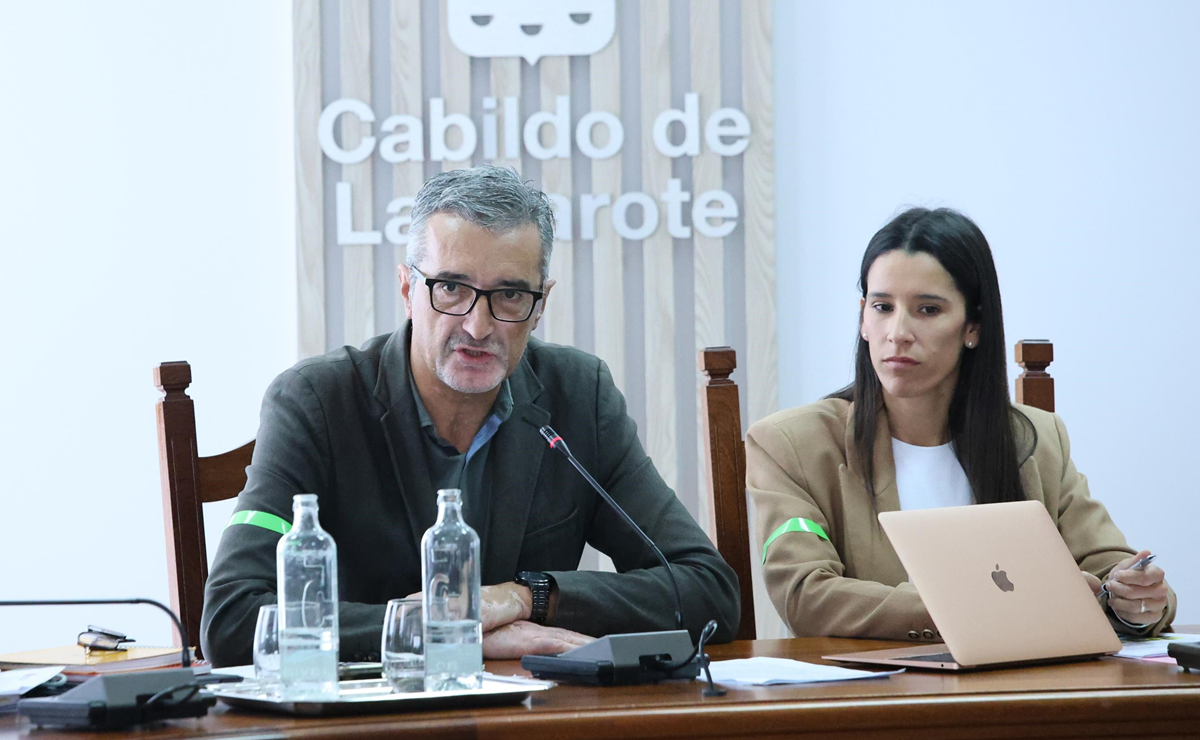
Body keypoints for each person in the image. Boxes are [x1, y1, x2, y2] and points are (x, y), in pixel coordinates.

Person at [201, 165, 740, 667]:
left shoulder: (579, 395)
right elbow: (231, 618)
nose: (478, 326)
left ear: (541, 304)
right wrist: (444, 633)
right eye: (451, 288)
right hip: (369, 720)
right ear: (408, 289)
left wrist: (528, 597)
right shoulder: (316, 401)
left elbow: (707, 590)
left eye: (509, 295)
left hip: (532, 717)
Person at [747, 207, 1175, 641]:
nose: (897, 332)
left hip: (1023, 677)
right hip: (877, 681)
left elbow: (1112, 567)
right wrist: (994, 605)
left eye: (927, 309)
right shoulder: (790, 445)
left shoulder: (1038, 439)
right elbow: (806, 595)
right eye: (882, 307)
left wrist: (1136, 600)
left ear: (973, 326)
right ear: (863, 319)